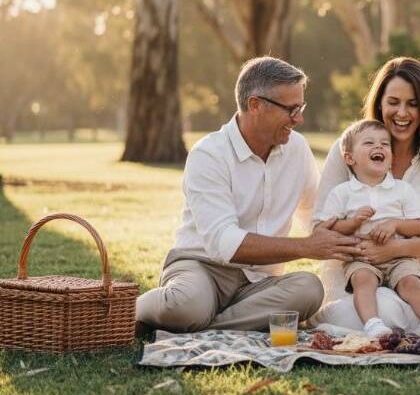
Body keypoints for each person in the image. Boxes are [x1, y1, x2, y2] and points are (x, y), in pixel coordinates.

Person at [136, 57, 362, 333]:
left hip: (260, 283)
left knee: (309, 289)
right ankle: (132, 310)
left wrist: (358, 233)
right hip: (203, 268)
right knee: (186, 305)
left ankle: (208, 326)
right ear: (255, 105)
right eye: (291, 109)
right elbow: (225, 243)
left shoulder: (297, 150)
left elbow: (318, 214)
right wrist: (307, 246)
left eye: (300, 107)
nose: (299, 119)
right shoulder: (209, 155)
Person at [310, 57, 420, 335]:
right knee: (381, 309)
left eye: (413, 103)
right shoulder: (349, 149)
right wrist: (362, 246)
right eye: (393, 102)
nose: (402, 112)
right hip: (354, 270)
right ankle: (383, 318)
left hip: (414, 269)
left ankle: (411, 318)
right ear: (380, 103)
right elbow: (319, 227)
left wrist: (393, 250)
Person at [318, 119, 420, 337]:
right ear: (349, 157)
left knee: (411, 282)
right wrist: (353, 223)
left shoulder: (402, 189)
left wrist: (395, 224)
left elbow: (418, 227)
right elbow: (328, 228)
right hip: (362, 258)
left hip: (400, 257)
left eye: (385, 144)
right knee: (363, 281)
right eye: (369, 143)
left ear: (391, 158)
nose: (379, 147)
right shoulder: (342, 193)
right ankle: (373, 324)